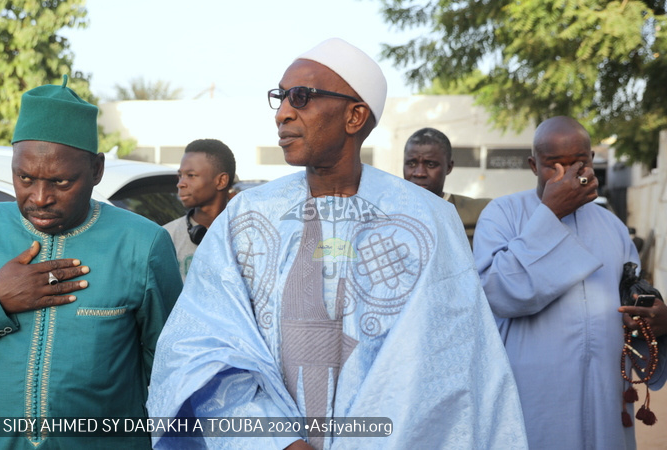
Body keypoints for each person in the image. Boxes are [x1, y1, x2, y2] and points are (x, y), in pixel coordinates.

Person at [147, 38, 527, 449]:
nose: (283, 113)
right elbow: (203, 346)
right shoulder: (246, 218)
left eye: (301, 97)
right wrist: (279, 441)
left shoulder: (427, 220)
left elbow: (444, 365)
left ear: (355, 116)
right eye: (280, 98)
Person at [0, 75, 182, 449]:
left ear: (97, 170)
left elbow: (173, 368)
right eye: (24, 177)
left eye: (61, 182)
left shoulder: (142, 243)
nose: (39, 197)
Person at [473, 115, 667, 449]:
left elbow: (632, 296)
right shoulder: (502, 214)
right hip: (537, 391)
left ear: (592, 160)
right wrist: (550, 214)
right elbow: (497, 292)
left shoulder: (613, 226)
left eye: (579, 162)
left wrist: (655, 322)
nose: (570, 175)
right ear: (533, 165)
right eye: (554, 165)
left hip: (607, 391)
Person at [403, 127, 490, 247]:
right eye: (411, 163)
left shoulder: (478, 212)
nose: (419, 173)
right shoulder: (384, 212)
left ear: (449, 167)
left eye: (430, 164)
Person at [163, 138, 236, 280]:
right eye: (180, 176)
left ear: (221, 181)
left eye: (191, 175)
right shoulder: (166, 237)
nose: (180, 184)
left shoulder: (250, 235)